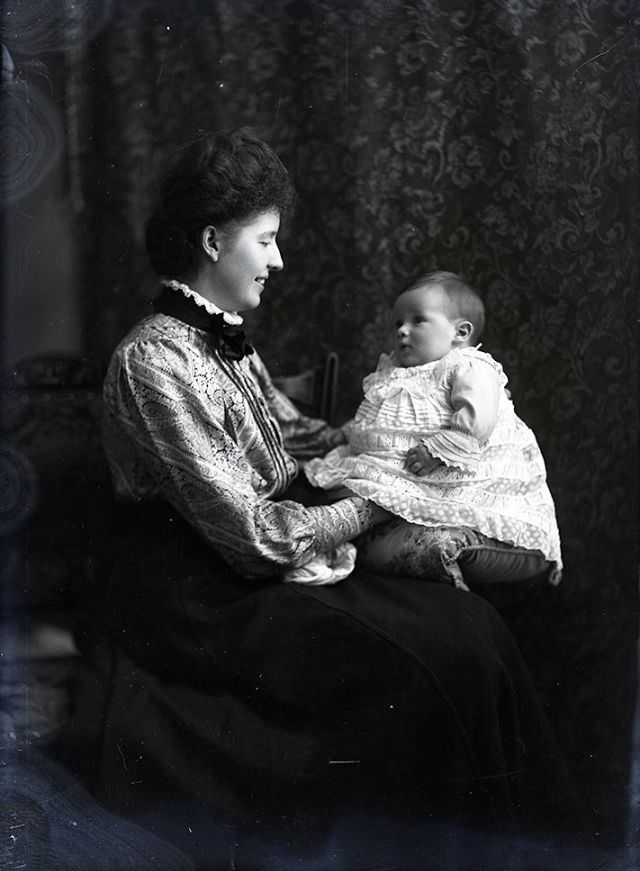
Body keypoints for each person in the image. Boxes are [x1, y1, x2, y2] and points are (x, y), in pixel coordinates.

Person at [59, 129, 573, 867]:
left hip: (254, 560)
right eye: (266, 240)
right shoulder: (153, 361)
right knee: (447, 652)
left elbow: (295, 437)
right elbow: (254, 537)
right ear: (212, 241)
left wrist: (400, 442)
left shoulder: (224, 342)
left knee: (469, 624)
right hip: (197, 589)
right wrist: (383, 494)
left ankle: (518, 851)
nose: (278, 260)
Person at [301, 271, 563, 590]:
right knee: (335, 486)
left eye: (417, 321)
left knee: (372, 501)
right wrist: (347, 435)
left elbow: (477, 417)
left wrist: (441, 449)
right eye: (397, 323)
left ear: (460, 332)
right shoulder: (396, 374)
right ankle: (326, 539)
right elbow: (380, 423)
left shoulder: (467, 365)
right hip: (399, 472)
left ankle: (326, 534)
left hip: (450, 477)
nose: (402, 331)